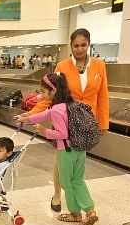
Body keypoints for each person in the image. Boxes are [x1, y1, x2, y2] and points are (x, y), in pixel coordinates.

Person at [22, 28, 109, 213]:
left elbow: (103, 95)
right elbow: (49, 96)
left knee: (78, 162)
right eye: (76, 45)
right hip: (65, 119)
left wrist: (103, 122)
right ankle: (57, 193)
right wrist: (30, 115)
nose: (79, 49)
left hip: (87, 122)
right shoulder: (62, 66)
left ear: (89, 45)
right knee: (60, 159)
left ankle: (77, 201)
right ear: (70, 45)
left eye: (83, 45)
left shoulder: (99, 66)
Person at [15, 73, 98, 225]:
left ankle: (75, 214)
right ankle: (90, 211)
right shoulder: (69, 104)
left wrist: (43, 130)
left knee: (67, 183)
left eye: (43, 91)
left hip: (66, 151)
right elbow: (44, 114)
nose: (41, 94)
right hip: (80, 150)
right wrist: (25, 118)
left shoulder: (56, 110)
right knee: (78, 181)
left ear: (53, 91)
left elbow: (62, 134)